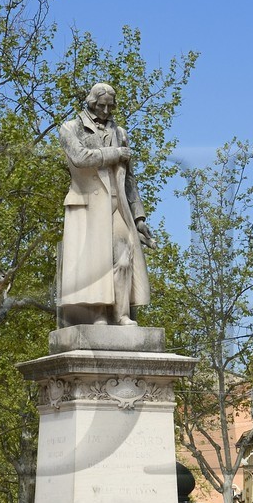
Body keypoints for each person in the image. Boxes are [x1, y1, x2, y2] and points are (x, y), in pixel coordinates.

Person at [57, 83, 154, 327]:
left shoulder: (120, 133)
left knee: (124, 258)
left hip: (117, 203)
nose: (106, 110)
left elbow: (130, 178)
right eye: (102, 105)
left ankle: (121, 313)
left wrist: (139, 217)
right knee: (95, 263)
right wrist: (115, 153)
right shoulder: (71, 128)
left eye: (110, 106)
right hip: (87, 204)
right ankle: (98, 313)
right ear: (91, 102)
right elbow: (80, 158)